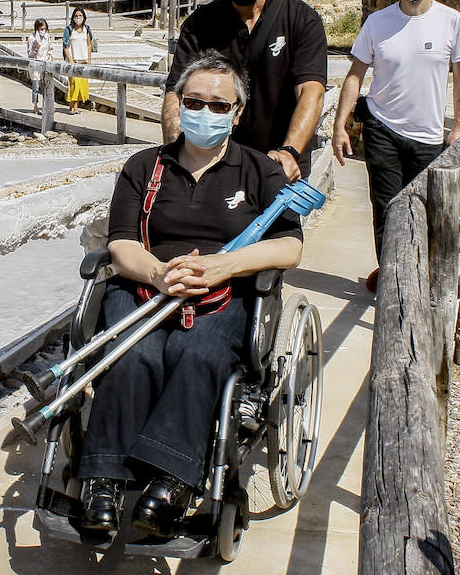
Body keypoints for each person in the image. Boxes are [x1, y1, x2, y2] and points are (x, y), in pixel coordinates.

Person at [76, 51, 304, 537]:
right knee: (134, 354)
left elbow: (288, 246)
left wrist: (222, 266)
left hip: (225, 291)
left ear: (237, 113)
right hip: (148, 281)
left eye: (220, 106)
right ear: (178, 104)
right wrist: (159, 274)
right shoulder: (143, 167)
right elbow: (121, 244)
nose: (206, 113)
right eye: (194, 101)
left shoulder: (259, 171)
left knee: (196, 353)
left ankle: (173, 477)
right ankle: (105, 478)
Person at [332, 0, 460, 294]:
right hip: (382, 128)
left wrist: (458, 125)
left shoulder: (450, 20)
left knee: (425, 210)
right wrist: (339, 125)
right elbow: (355, 75)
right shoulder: (378, 23)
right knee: (386, 207)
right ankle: (392, 275)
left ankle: (419, 275)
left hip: (426, 135)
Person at [163, 0, 327, 183]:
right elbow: (175, 93)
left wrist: (289, 151)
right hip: (214, 169)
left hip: (278, 169)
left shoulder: (300, 19)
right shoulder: (200, 24)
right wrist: (176, 154)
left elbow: (311, 92)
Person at [63, 6, 93, 114]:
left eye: (80, 16)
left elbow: (89, 44)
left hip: (83, 61)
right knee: (74, 84)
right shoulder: (69, 29)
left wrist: (89, 59)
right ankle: (75, 108)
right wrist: (70, 59)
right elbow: (65, 46)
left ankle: (72, 107)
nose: (78, 18)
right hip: (73, 61)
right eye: (76, 16)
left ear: (84, 17)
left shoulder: (87, 29)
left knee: (81, 85)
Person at [26, 17, 53, 111]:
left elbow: (50, 48)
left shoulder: (47, 36)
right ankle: (35, 106)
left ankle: (47, 105)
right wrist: (36, 48)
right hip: (35, 64)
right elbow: (29, 54)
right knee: (36, 85)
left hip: (46, 63)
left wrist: (50, 57)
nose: (43, 31)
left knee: (47, 85)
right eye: (41, 29)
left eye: (44, 29)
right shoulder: (31, 38)